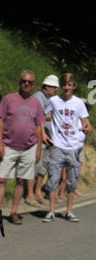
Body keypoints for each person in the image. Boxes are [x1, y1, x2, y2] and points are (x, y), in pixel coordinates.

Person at [0, 70, 45, 224]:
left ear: (33, 84)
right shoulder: (9, 99)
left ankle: (14, 212)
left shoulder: (36, 103)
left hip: (29, 147)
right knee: (1, 179)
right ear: (20, 82)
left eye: (30, 82)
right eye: (24, 81)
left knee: (20, 181)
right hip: (9, 145)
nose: (26, 84)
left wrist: (38, 150)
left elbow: (39, 127)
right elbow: (1, 122)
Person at [42, 73, 91, 223]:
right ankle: (51, 211)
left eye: (70, 85)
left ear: (73, 86)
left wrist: (87, 128)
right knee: (53, 179)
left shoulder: (79, 103)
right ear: (61, 86)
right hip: (57, 145)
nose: (67, 88)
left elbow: (85, 122)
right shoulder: (54, 101)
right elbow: (41, 116)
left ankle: (69, 211)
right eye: (64, 85)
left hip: (73, 146)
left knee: (72, 181)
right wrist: (43, 133)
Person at [26, 74, 60, 206]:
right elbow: (36, 116)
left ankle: (38, 192)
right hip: (38, 136)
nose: (56, 90)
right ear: (47, 86)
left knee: (43, 167)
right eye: (54, 87)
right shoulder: (38, 97)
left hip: (48, 137)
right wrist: (52, 116)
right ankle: (30, 194)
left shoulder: (50, 98)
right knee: (35, 165)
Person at [58, 98, 93, 200]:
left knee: (77, 168)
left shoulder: (85, 118)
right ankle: (61, 193)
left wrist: (86, 128)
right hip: (69, 145)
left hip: (79, 146)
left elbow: (88, 129)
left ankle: (72, 189)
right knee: (65, 170)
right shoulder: (71, 116)